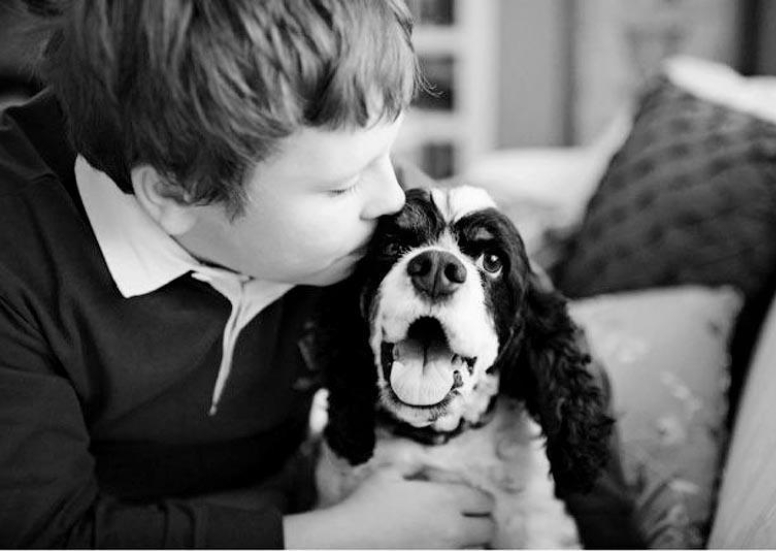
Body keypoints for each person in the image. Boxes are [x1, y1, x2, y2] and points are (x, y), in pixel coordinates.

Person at [0, 0, 641, 548]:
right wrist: (343, 534)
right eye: (341, 185)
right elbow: (42, 533)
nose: (392, 198)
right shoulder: (19, 264)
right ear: (178, 190)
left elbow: (549, 329)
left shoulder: (371, 218)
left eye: (389, 153)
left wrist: (611, 528)